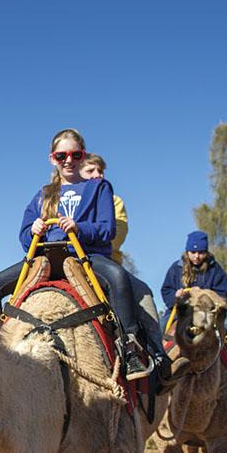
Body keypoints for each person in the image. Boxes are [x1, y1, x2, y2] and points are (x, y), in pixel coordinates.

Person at [0, 128, 165, 381]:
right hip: (45, 257)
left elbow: (107, 229)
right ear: (52, 159)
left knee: (118, 278)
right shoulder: (43, 194)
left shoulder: (98, 188)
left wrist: (79, 228)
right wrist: (32, 230)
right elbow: (24, 237)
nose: (68, 161)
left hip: (84, 255)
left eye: (75, 155)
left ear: (82, 155)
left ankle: (129, 347)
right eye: (62, 156)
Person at [78, 154, 167, 366]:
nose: (97, 175)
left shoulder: (114, 201)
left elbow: (115, 235)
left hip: (104, 262)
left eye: (100, 171)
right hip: (66, 262)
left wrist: (81, 234)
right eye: (90, 171)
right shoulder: (65, 199)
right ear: (78, 173)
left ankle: (157, 355)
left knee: (144, 294)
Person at [160, 230, 227, 381]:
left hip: (209, 313)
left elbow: (223, 296)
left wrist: (205, 297)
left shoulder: (216, 270)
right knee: (162, 323)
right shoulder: (176, 268)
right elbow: (166, 289)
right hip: (181, 311)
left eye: (201, 252)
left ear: (206, 252)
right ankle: (158, 361)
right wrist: (175, 296)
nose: (196, 256)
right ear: (187, 252)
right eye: (193, 252)